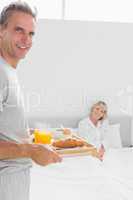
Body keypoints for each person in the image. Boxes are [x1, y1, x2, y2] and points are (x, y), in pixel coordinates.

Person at [0, 2, 62, 200]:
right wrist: (30, 149)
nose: (26, 39)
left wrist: (28, 136)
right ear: (1, 31)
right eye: (19, 30)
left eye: (31, 33)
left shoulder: (9, 71)